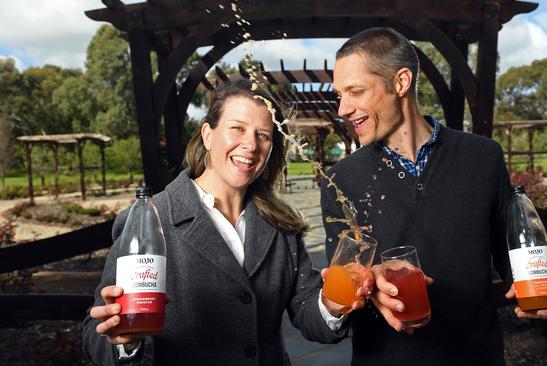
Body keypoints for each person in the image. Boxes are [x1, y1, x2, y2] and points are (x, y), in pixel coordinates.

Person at [320, 27, 547, 365]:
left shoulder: (484, 158)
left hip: (477, 356)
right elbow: (345, 282)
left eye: (355, 92)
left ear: (401, 82)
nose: (343, 108)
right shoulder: (341, 179)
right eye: (340, 94)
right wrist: (366, 288)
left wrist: (544, 285)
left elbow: (511, 252)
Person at [83, 79, 367, 365]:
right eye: (237, 128)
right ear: (208, 135)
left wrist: (331, 304)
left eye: (264, 135)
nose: (250, 145)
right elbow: (96, 338)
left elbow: (307, 311)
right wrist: (124, 341)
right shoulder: (153, 218)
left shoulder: (281, 225)